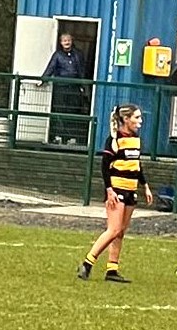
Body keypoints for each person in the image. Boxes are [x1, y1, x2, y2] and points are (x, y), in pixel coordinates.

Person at [77, 104, 154, 282]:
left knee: (121, 232)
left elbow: (136, 164)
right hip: (117, 189)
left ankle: (112, 270)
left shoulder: (135, 138)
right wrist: (109, 190)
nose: (140, 121)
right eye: (137, 118)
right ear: (126, 119)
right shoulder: (114, 139)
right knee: (113, 229)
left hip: (131, 189)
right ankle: (87, 263)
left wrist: (145, 185)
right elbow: (104, 167)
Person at [42, 33, 89, 145]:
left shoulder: (78, 54)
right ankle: (59, 136)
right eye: (64, 40)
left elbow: (81, 71)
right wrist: (43, 79)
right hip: (61, 87)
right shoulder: (57, 55)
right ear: (61, 42)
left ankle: (70, 137)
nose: (67, 42)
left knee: (73, 111)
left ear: (72, 41)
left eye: (68, 40)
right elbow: (51, 67)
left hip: (74, 87)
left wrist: (84, 86)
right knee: (60, 110)